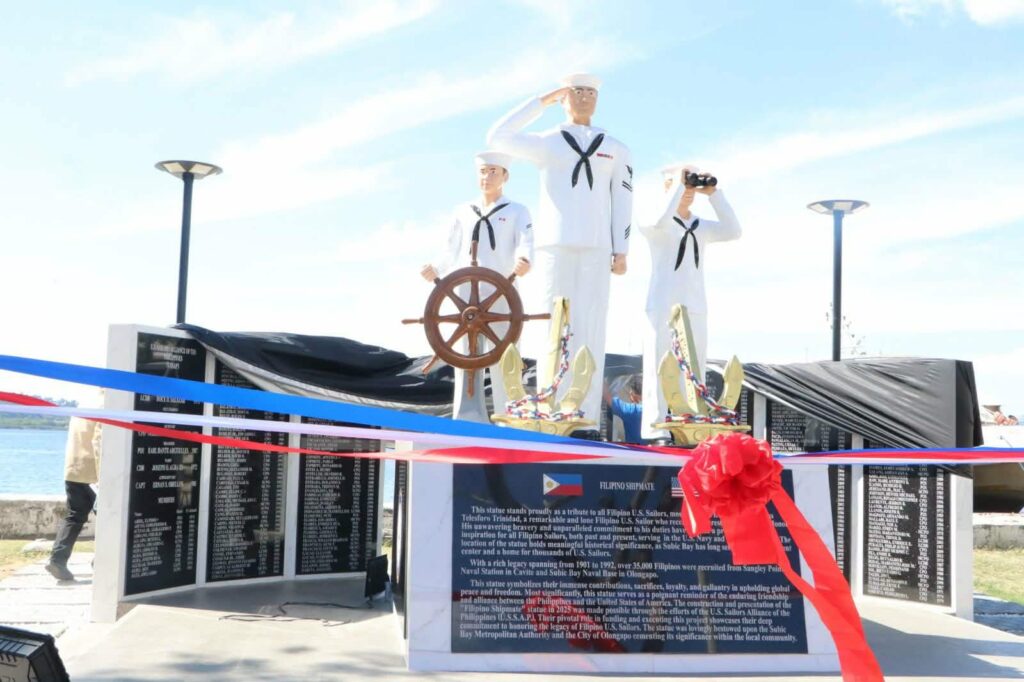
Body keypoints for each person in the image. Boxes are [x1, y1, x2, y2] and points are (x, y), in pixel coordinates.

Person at [487, 73, 633, 437]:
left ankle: (584, 416)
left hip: (597, 247)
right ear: (564, 99)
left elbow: (623, 199)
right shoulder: (549, 142)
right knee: (552, 326)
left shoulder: (615, 147)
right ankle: (550, 408)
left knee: (592, 326)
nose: (583, 98)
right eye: (576, 92)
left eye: (590, 92)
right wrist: (542, 101)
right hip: (555, 244)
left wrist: (621, 249)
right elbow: (499, 136)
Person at [421, 151, 533, 417]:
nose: (487, 177)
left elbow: (526, 242)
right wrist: (436, 267)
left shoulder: (517, 211)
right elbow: (450, 248)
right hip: (464, 295)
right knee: (465, 358)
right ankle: (467, 415)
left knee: (506, 356)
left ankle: (509, 417)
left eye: (493, 171)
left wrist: (525, 260)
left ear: (505, 176)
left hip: (502, 294)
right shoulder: (462, 211)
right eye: (483, 172)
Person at [639, 165, 741, 440]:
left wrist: (714, 194)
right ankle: (655, 427)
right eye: (679, 185)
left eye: (690, 186)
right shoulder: (655, 221)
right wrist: (677, 185)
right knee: (659, 364)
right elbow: (659, 219)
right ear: (667, 187)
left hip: (694, 305)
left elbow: (733, 230)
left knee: (694, 368)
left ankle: (690, 423)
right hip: (663, 302)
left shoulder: (701, 226)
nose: (686, 191)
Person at [46, 414, 101, 582]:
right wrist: (102, 475)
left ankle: (57, 559)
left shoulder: (80, 408)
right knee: (108, 518)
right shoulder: (107, 406)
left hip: (73, 468)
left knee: (74, 516)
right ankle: (101, 561)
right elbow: (99, 441)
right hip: (94, 471)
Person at [604, 376, 644, 444]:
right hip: (658, 450)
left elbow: (607, 396)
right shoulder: (657, 411)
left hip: (635, 450)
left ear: (633, 394)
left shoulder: (633, 411)